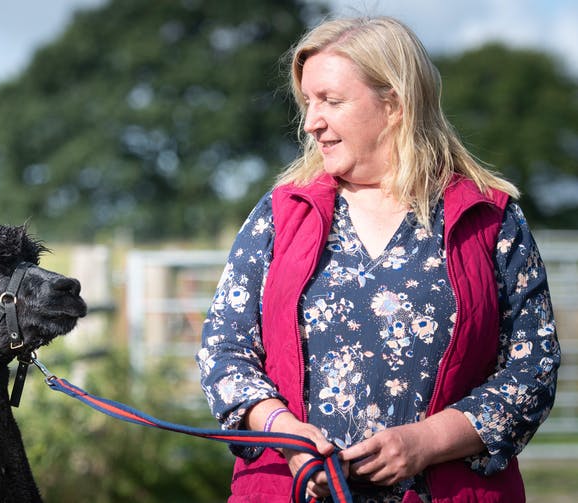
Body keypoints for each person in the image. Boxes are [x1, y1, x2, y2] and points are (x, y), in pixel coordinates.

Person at [196, 15, 560, 503]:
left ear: (394, 103)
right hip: (292, 491)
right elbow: (224, 350)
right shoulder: (280, 215)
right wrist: (283, 431)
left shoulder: (488, 218)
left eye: (331, 101)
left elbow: (533, 367)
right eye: (308, 101)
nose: (311, 121)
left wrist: (426, 443)